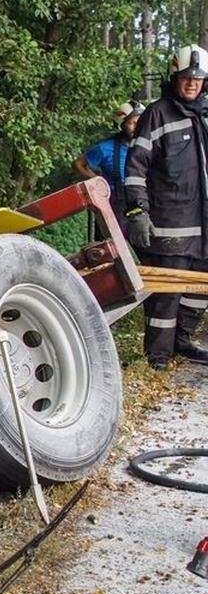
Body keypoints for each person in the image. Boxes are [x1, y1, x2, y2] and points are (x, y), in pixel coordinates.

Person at [124, 44, 208, 369]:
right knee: (167, 294)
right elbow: (136, 167)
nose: (192, 84)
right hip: (170, 225)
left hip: (204, 227)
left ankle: (182, 342)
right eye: (186, 78)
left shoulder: (204, 114)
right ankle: (158, 359)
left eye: (198, 79)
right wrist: (137, 210)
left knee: (200, 288)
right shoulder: (156, 113)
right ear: (174, 78)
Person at [74, 100, 145, 228]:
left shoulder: (150, 146)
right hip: (118, 208)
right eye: (132, 123)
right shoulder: (105, 148)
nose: (137, 126)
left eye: (140, 122)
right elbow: (79, 164)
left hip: (145, 202)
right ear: (122, 125)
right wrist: (97, 181)